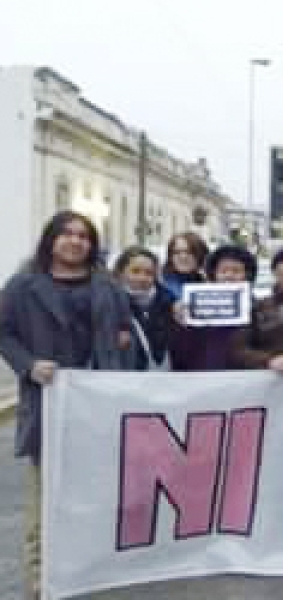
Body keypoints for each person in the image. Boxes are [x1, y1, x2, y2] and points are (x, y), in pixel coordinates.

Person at [0, 211, 136, 600]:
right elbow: (4, 333)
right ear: (51, 239)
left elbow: (127, 329)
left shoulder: (107, 287)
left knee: (95, 495)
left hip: (98, 407)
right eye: (67, 234)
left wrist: (122, 343)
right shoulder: (23, 286)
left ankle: (87, 572)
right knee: (46, 499)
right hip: (49, 405)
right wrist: (28, 365)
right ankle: (40, 580)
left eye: (83, 236)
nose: (75, 241)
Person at [170, 244, 258, 371]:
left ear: (248, 275)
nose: (229, 276)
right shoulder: (195, 306)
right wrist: (181, 325)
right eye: (223, 271)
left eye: (236, 271)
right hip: (205, 377)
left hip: (246, 378)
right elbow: (181, 354)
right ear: (214, 274)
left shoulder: (259, 308)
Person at [114, 247, 174, 371]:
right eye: (135, 271)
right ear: (121, 273)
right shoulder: (110, 304)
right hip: (123, 375)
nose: (142, 278)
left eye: (149, 273)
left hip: (159, 376)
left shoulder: (169, 304)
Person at [161, 232, 210, 302]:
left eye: (189, 252)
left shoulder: (208, 282)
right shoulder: (160, 284)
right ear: (170, 257)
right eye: (176, 252)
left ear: (201, 255)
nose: (183, 257)